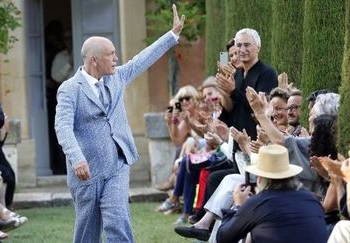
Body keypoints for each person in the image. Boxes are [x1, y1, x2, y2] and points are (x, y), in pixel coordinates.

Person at [55, 4, 184, 242]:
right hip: (87, 171)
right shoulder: (70, 89)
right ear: (94, 60)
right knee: (87, 232)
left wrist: (172, 35)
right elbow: (62, 126)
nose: (116, 59)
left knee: (118, 221)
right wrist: (77, 158)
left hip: (118, 164)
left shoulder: (116, 78)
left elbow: (141, 60)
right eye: (111, 54)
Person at [216, 144, 328, 243]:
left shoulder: (258, 203)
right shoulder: (311, 199)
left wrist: (238, 206)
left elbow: (223, 237)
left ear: (260, 179)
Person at [216, 28, 278, 142]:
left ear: (258, 47)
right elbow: (231, 109)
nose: (242, 49)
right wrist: (224, 91)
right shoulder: (236, 75)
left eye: (247, 45)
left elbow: (261, 109)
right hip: (237, 141)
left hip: (257, 142)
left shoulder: (267, 73)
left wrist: (233, 92)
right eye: (239, 45)